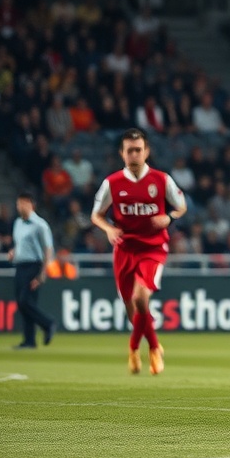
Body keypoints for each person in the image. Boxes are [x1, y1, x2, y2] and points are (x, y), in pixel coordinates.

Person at [90, 128, 187, 375]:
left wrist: (169, 217)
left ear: (146, 152)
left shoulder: (161, 179)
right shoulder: (111, 183)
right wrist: (109, 229)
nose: (134, 154)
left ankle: (139, 348)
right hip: (124, 249)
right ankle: (153, 345)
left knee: (140, 298)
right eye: (129, 150)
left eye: (138, 150)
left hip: (153, 247)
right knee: (131, 309)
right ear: (122, 153)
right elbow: (96, 215)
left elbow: (181, 205)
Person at [8, 192, 57, 349]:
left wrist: (43, 273)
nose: (19, 206)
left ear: (30, 204)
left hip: (33, 266)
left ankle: (48, 323)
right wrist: (14, 252)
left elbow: (48, 249)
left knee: (25, 301)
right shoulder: (17, 223)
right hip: (20, 266)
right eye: (18, 203)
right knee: (23, 303)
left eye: (22, 203)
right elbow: (20, 244)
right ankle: (29, 340)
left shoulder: (40, 224)